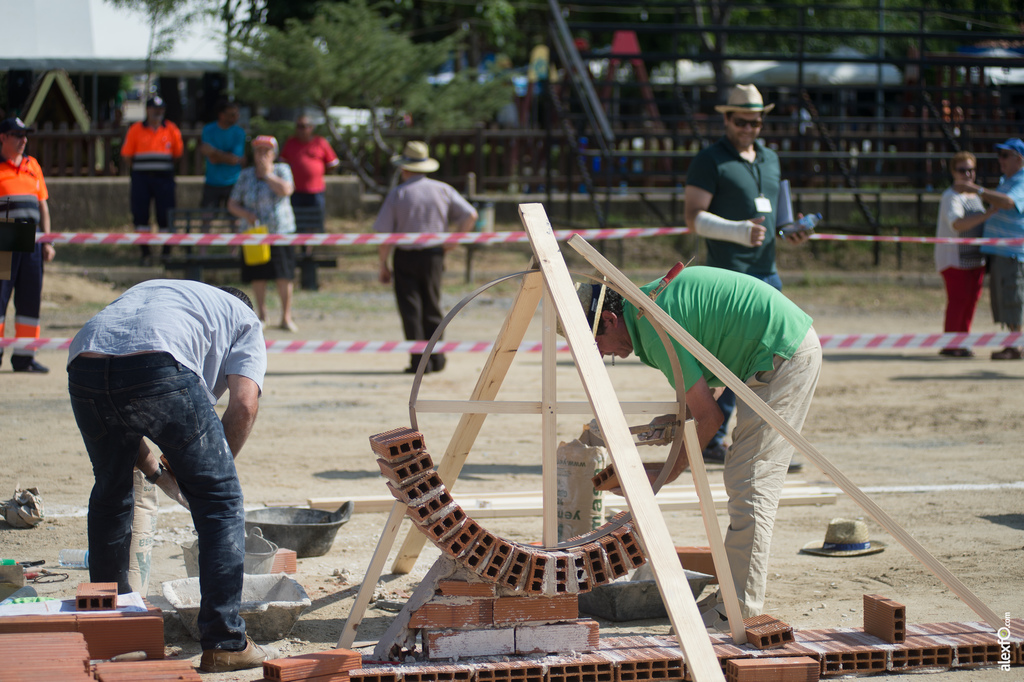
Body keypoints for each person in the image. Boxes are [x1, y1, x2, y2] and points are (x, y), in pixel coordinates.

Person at [579, 266, 821, 621]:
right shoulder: (646, 307)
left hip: (784, 352)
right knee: (745, 478)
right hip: (771, 347)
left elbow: (711, 419)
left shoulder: (651, 322)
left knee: (750, 480)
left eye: (594, 343)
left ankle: (737, 611)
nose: (599, 354)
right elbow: (711, 381)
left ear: (611, 320)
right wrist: (679, 426)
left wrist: (667, 471)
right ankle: (731, 598)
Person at [67, 279, 273, 673]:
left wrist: (165, 476)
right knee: (221, 502)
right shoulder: (245, 319)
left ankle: (112, 632)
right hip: (160, 365)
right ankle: (225, 641)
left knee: (110, 493)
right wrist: (212, 476)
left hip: (86, 361)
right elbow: (244, 405)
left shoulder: (162, 294)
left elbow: (126, 419)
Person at [683, 84, 810, 469]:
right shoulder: (710, 160)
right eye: (741, 121)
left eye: (756, 122)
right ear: (726, 119)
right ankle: (712, 438)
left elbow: (778, 214)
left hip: (767, 274)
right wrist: (738, 231)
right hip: (729, 278)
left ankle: (768, 445)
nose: (749, 128)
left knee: (774, 365)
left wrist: (792, 230)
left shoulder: (770, 158)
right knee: (726, 365)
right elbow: (693, 217)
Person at [373, 141, 477, 374]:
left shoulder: (398, 194)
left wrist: (383, 263)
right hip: (433, 254)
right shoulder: (442, 189)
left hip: (406, 256)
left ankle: (419, 363)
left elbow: (384, 233)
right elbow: (470, 214)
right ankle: (437, 358)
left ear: (404, 169)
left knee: (411, 309)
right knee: (432, 306)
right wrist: (452, 241)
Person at [0, 117, 56, 373]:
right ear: (3, 137)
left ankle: (24, 357)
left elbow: (43, 204)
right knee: (0, 300)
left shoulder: (33, 165)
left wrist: (47, 239)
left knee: (30, 300)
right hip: (5, 240)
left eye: (25, 135)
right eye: (17, 135)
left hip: (32, 240)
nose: (23, 140)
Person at [228, 135, 298, 331]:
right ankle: (262, 314)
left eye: (266, 151)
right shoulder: (246, 175)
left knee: (284, 275)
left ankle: (286, 317)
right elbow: (232, 203)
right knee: (258, 274)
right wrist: (246, 214)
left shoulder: (282, 170)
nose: (262, 155)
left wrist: (267, 174)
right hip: (254, 233)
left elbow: (286, 190)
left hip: (280, 232)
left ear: (273, 153)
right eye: (259, 151)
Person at [934, 151, 994, 357]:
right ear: (953, 172)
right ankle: (951, 343)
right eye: (962, 170)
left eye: (970, 170)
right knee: (958, 300)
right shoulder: (951, 196)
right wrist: (987, 214)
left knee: (971, 300)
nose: (967, 174)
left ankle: (963, 340)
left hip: (976, 258)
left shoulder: (975, 195)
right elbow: (957, 224)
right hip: (954, 259)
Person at [974, 138, 1024, 360]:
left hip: (1012, 253)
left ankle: (1016, 346)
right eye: (999, 155)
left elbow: (1008, 203)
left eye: (1005, 155)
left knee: (1013, 296)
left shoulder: (1021, 182)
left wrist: (979, 190)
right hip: (1002, 253)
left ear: (1019, 159)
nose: (1000, 160)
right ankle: (1013, 343)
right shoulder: (1008, 180)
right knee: (1005, 298)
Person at [121, 96, 184, 265]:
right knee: (140, 215)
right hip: (142, 178)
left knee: (165, 215)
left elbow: (177, 154)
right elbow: (127, 156)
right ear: (147, 110)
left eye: (161, 109)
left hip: (164, 178)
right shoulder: (136, 129)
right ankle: (146, 253)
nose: (158, 113)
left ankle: (165, 253)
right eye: (154, 109)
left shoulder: (171, 129)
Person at [280, 114, 339, 240]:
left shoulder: (320, 142)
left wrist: (318, 172)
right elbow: (282, 163)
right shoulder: (291, 142)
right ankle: (301, 248)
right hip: (295, 191)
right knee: (298, 223)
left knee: (315, 223)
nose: (300, 130)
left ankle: (314, 250)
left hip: (315, 191)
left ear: (311, 128)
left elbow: (333, 163)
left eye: (303, 126)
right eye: (298, 127)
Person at [200, 99, 245, 212]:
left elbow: (235, 159)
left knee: (235, 219)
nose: (236, 117)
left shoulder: (239, 132)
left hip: (233, 182)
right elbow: (212, 159)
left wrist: (214, 152)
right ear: (222, 115)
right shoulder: (208, 130)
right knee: (206, 218)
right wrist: (227, 157)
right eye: (232, 115)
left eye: (237, 114)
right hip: (212, 181)